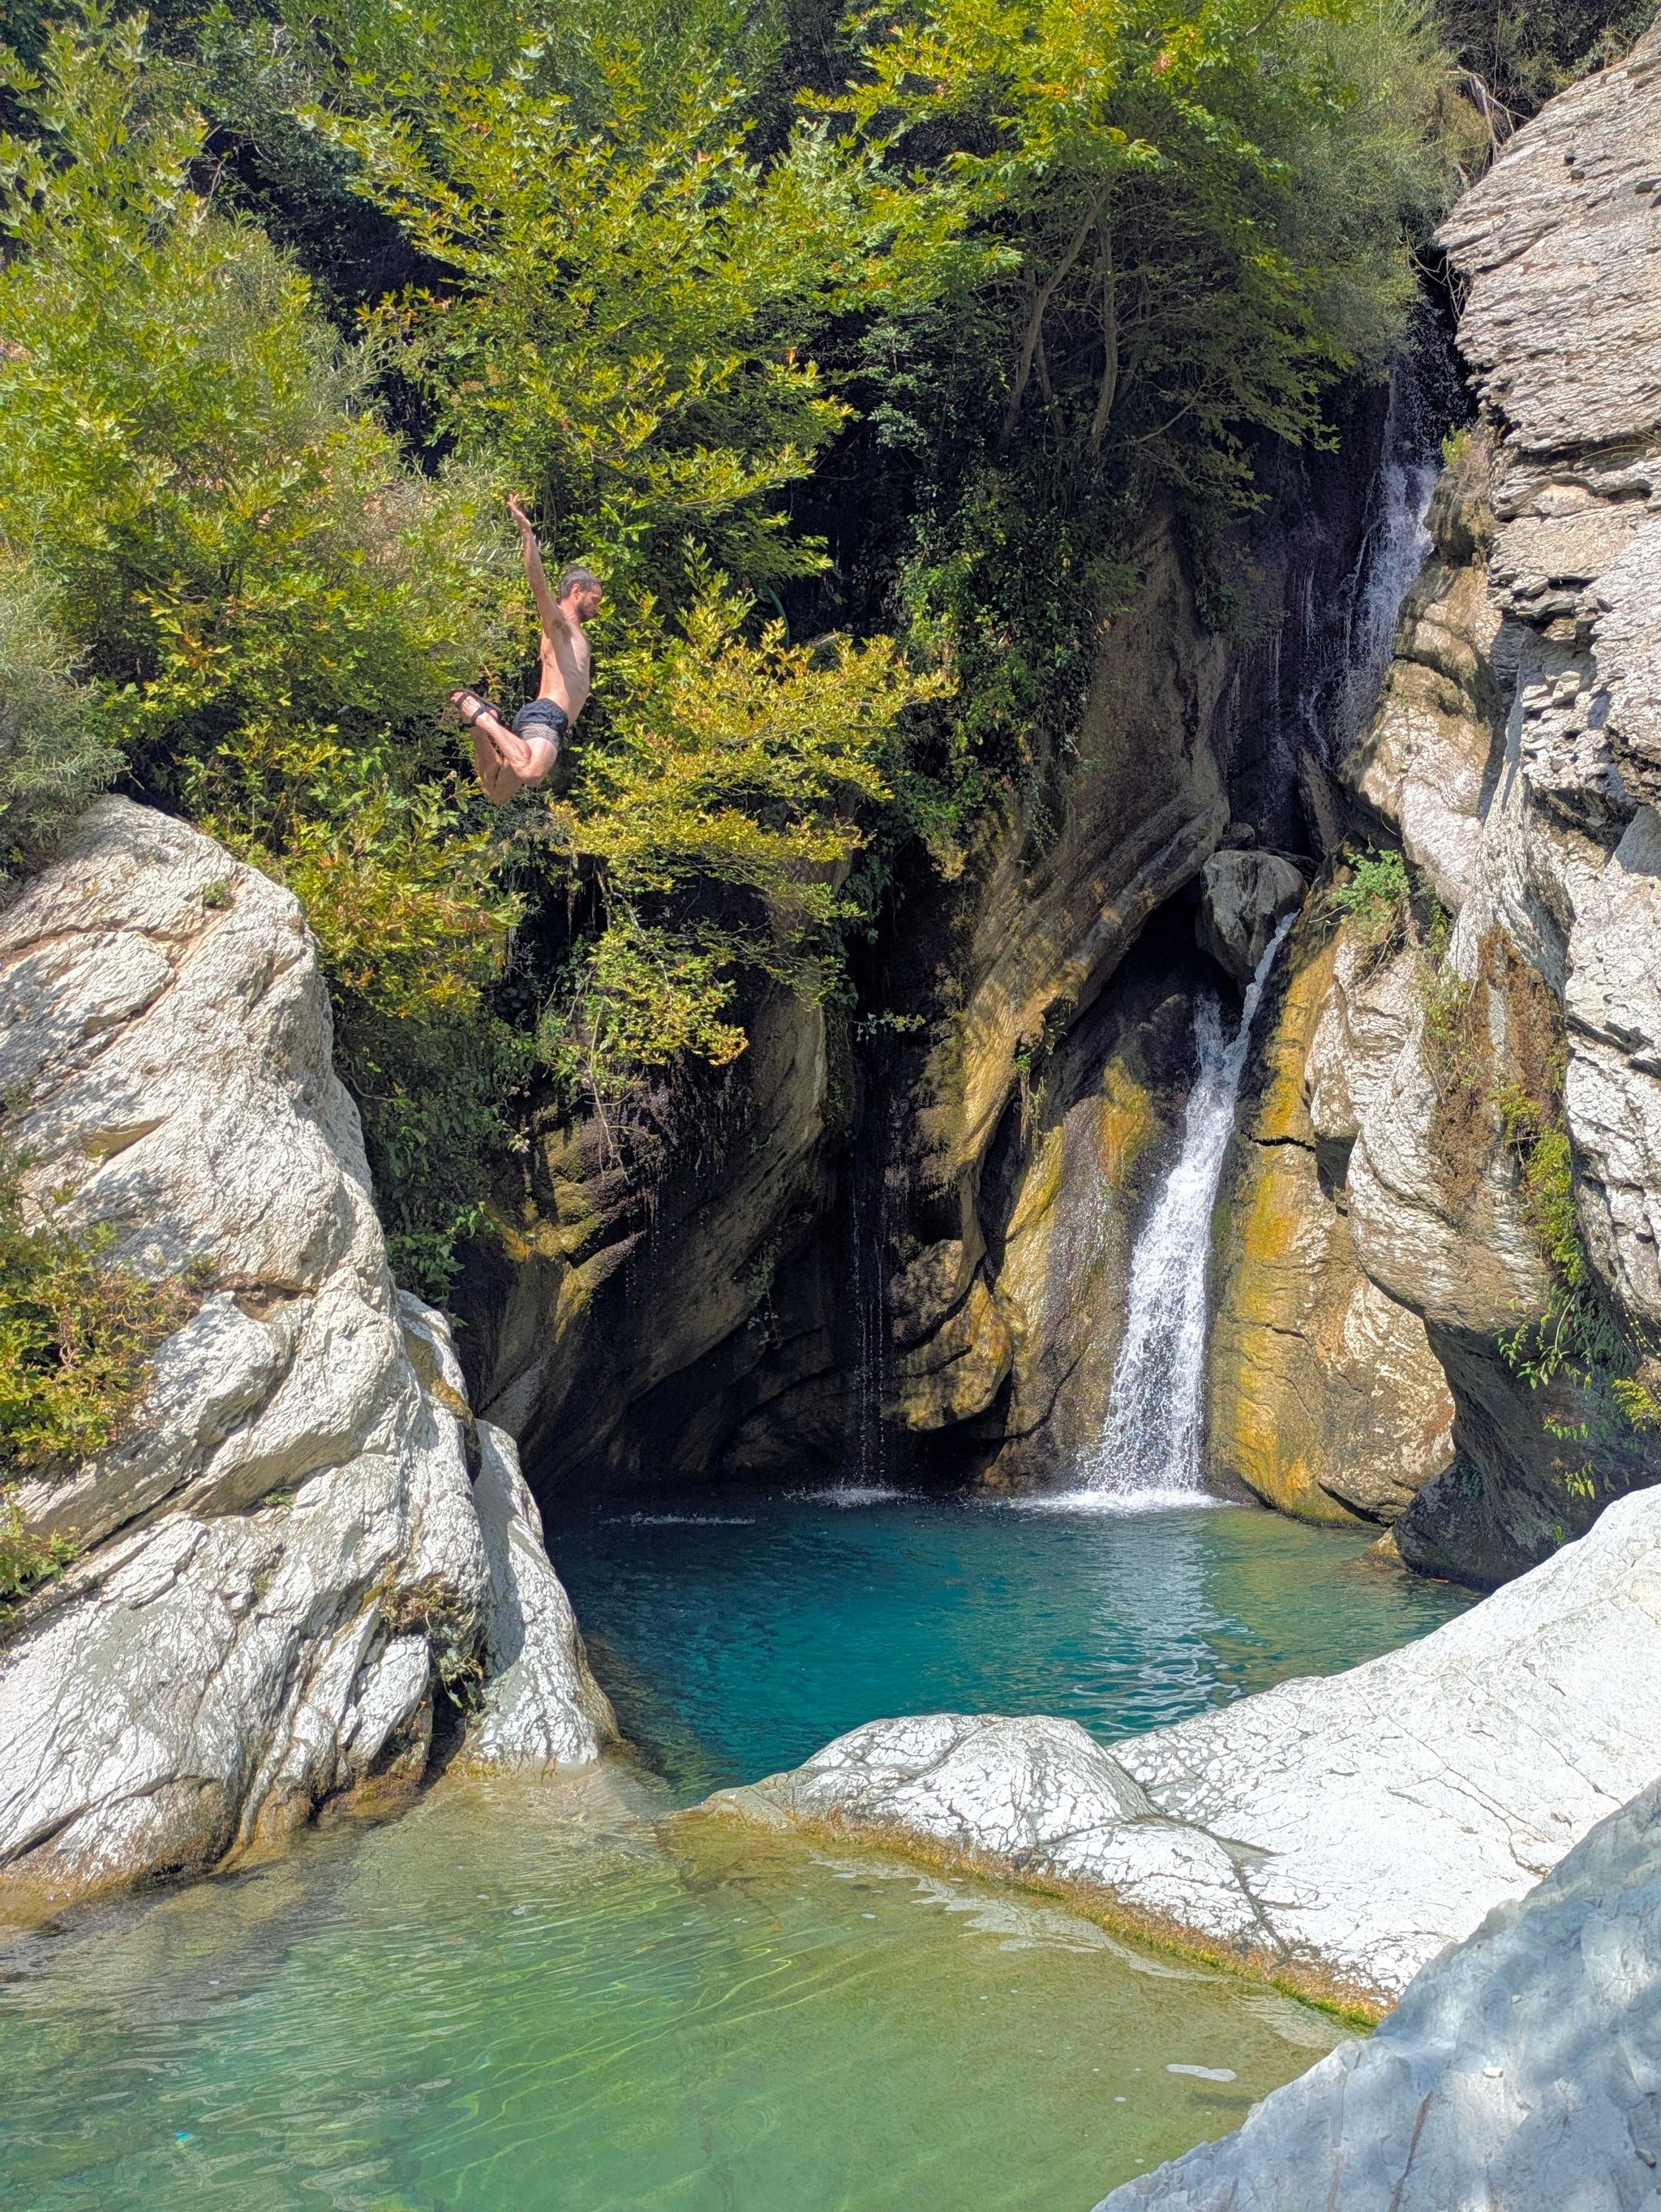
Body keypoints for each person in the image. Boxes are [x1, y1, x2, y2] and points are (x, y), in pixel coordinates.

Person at [452, 496, 603, 802]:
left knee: (496, 792)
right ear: (577, 591)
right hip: (548, 714)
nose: (597, 607)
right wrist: (526, 532)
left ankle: (477, 725)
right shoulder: (559, 623)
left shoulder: (578, 634)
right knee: (532, 773)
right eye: (594, 600)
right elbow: (537, 583)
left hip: (545, 720)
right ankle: (484, 718)